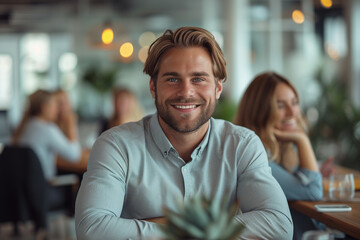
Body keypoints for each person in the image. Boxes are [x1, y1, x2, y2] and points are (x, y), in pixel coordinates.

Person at [75, 27, 293, 240]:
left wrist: (170, 228)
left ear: (218, 88)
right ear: (153, 87)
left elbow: (279, 224)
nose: (186, 92)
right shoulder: (116, 146)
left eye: (198, 79)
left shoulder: (242, 144)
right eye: (172, 79)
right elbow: (92, 229)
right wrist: (210, 231)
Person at [233, 71, 323, 239]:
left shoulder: (283, 151)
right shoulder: (255, 157)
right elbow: (312, 190)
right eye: (280, 105)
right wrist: (302, 139)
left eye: (294, 102)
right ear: (259, 112)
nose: (292, 112)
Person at [11, 89, 82, 237]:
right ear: (44, 107)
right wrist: (71, 123)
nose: (57, 109)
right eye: (55, 105)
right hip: (44, 193)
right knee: (81, 181)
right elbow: (75, 155)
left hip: (21, 196)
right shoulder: (47, 129)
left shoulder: (24, 128)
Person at [54, 89, 90, 174]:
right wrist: (71, 124)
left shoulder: (64, 122)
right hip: (60, 174)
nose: (65, 106)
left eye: (66, 101)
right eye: (60, 103)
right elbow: (74, 155)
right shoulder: (51, 127)